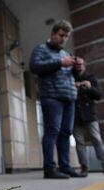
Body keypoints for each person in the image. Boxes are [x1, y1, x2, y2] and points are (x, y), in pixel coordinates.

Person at [30, 20, 84, 179]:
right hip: (51, 96)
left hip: (69, 97)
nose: (63, 39)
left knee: (66, 133)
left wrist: (77, 68)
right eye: (61, 35)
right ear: (53, 33)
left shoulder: (65, 54)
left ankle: (65, 167)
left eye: (66, 36)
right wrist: (60, 62)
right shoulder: (40, 49)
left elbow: (74, 76)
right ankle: (49, 168)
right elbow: (34, 66)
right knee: (52, 131)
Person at [73, 63, 104, 177]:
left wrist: (90, 87)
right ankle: (84, 167)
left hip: (90, 115)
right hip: (75, 116)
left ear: (84, 66)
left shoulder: (91, 78)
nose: (79, 66)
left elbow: (99, 95)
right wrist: (74, 87)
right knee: (79, 142)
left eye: (81, 64)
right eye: (77, 65)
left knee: (97, 139)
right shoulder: (70, 79)